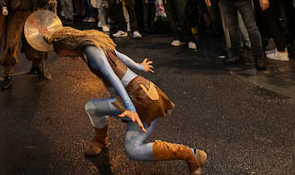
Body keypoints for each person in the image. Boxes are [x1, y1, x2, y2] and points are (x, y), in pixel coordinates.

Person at [28, 15, 207, 174]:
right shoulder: (92, 39)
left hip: (139, 100)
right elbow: (119, 54)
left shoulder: (90, 51)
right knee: (92, 107)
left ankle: (191, 155)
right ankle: (100, 141)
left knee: (133, 150)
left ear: (67, 46)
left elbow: (112, 76)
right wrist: (139, 66)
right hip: (134, 95)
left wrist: (130, 108)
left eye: (65, 55)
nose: (69, 58)